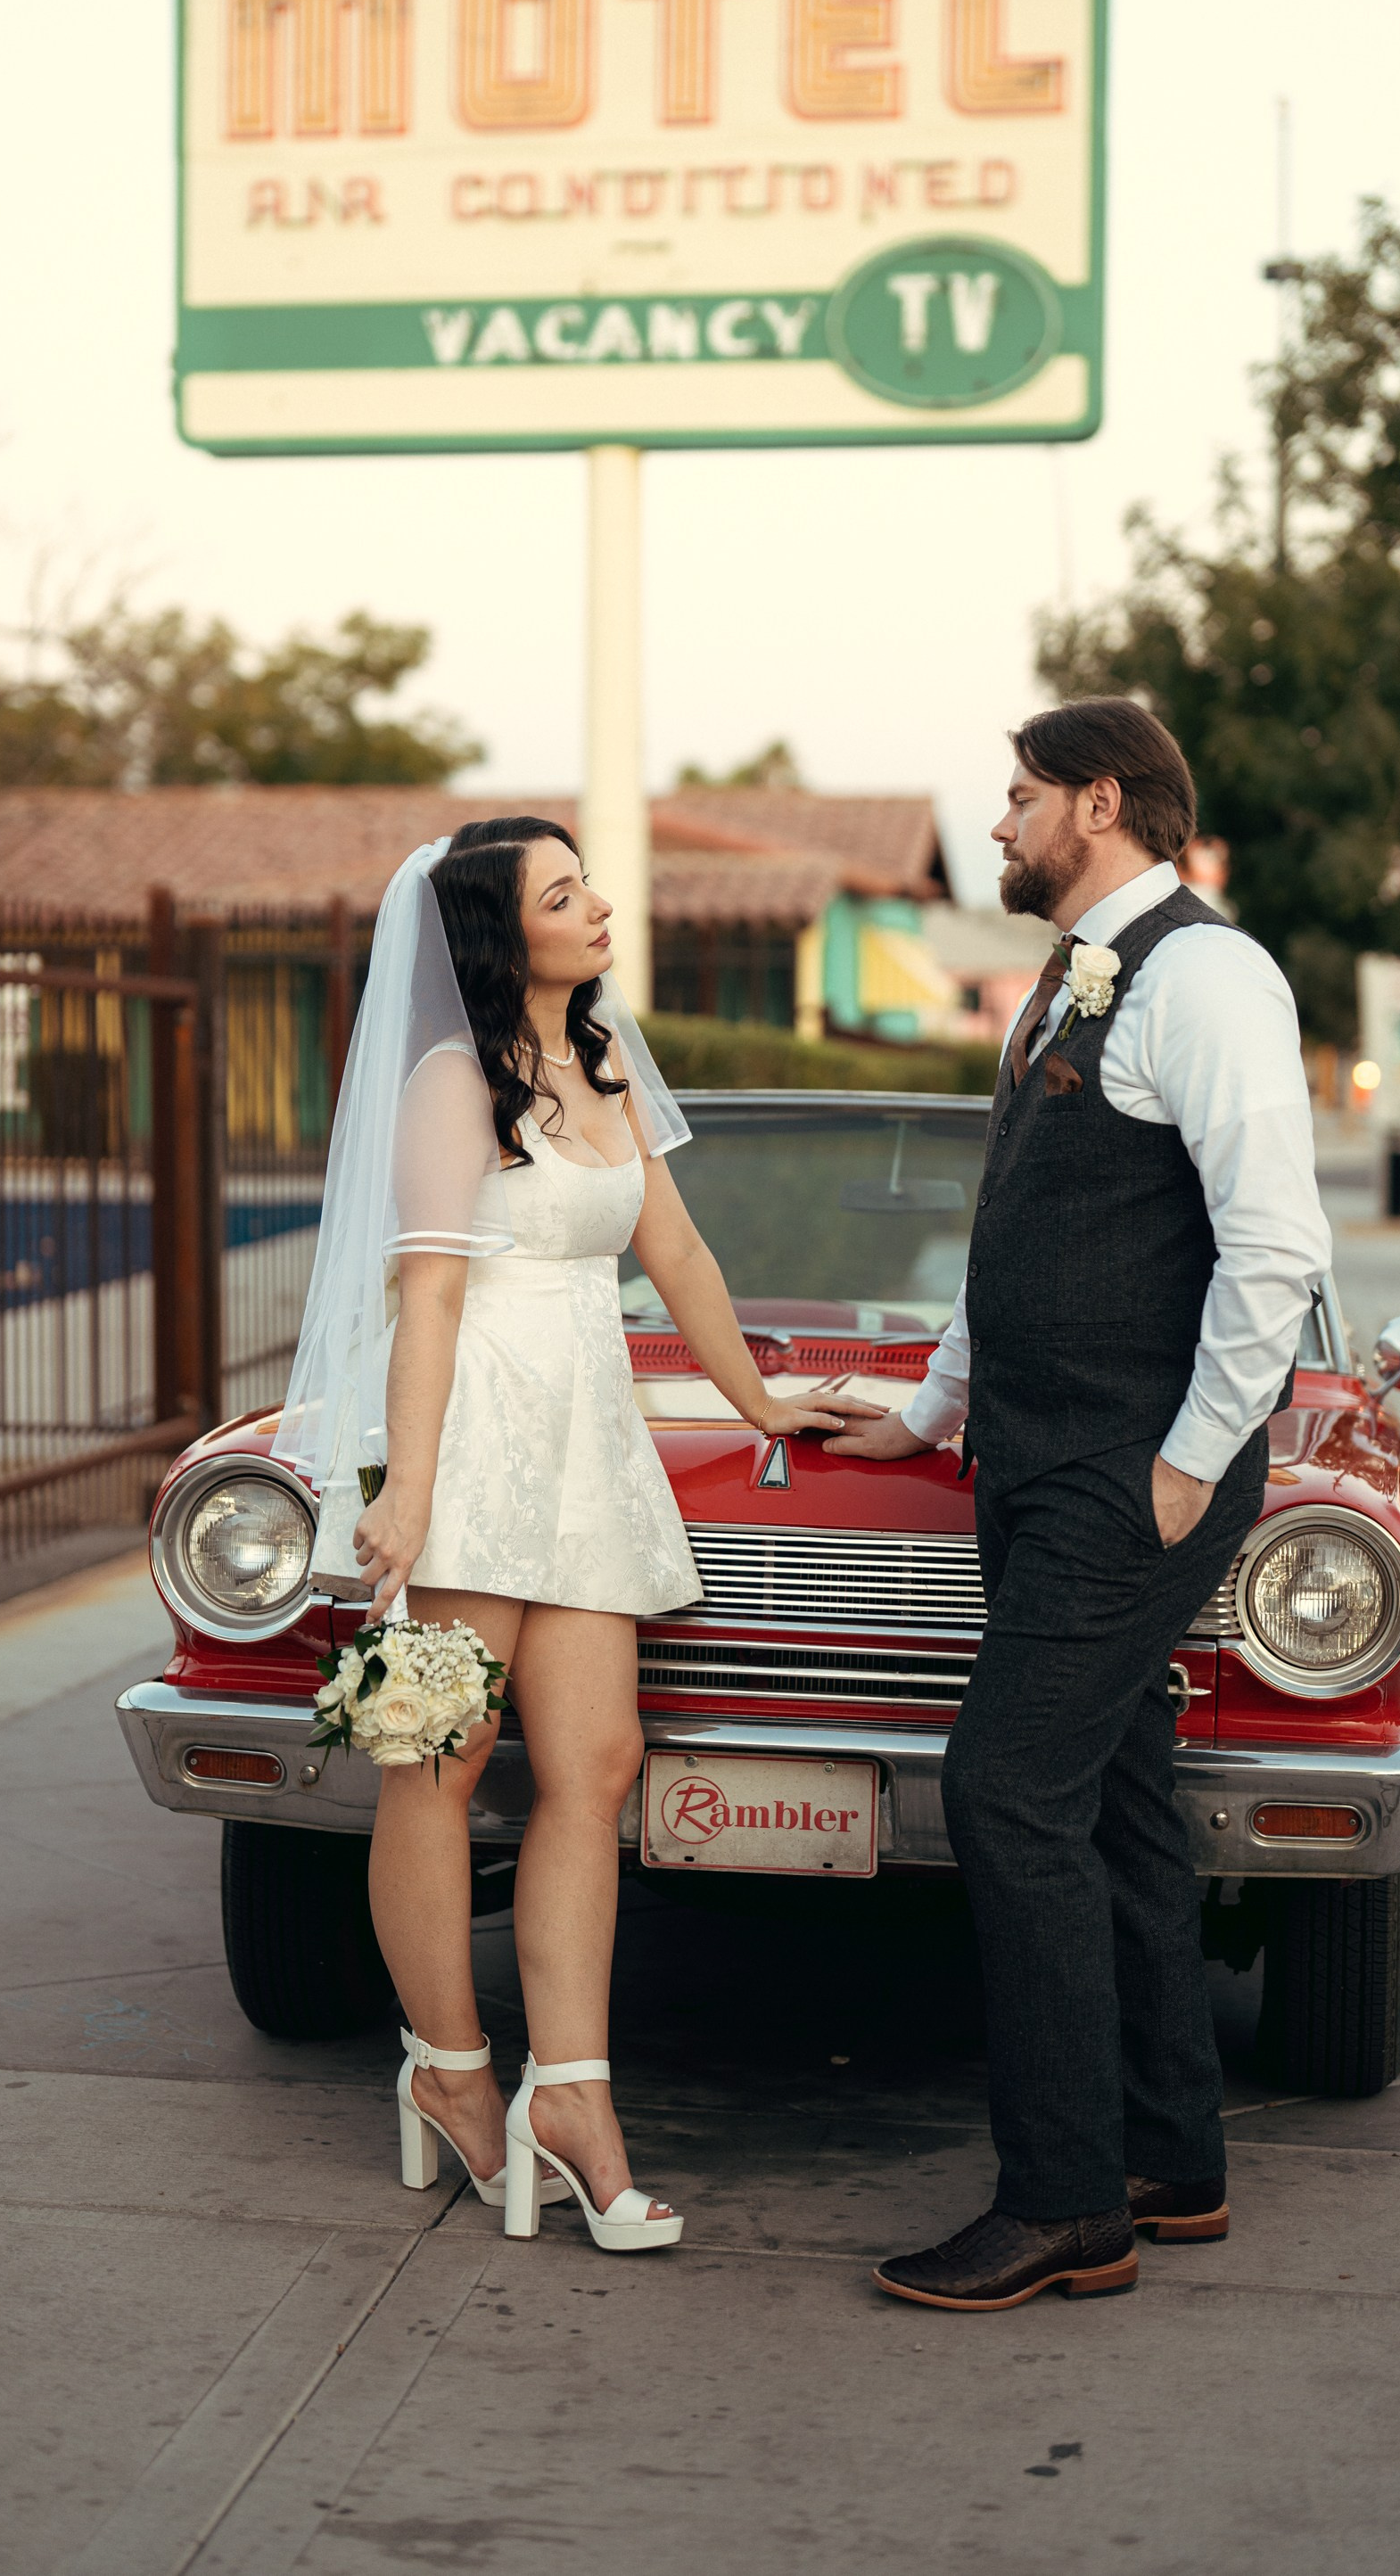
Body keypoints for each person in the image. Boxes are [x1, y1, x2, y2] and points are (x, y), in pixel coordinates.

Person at [275, 817, 852, 2257]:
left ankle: (574, 2099)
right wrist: (405, 1492)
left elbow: (682, 1256)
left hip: (589, 1446)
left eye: (585, 881)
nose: (597, 906)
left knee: (597, 1769)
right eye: (561, 893)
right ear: (496, 931)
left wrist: (765, 1399)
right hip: (473, 1445)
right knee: (442, 1762)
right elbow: (430, 1302)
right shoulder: (450, 1082)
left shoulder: (603, 1060)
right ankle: (454, 2072)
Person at [827, 700, 1331, 2311]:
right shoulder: (1062, 980)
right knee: (1111, 1797)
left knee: (1004, 1791)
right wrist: (927, 1412)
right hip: (1039, 1457)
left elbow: (1276, 1249)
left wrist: (1186, 1463)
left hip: (1132, 1467)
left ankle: (1064, 2205)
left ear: (1101, 803)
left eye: (1021, 798)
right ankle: (1172, 2161)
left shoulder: (1207, 973)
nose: (999, 825)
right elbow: (1014, 1232)